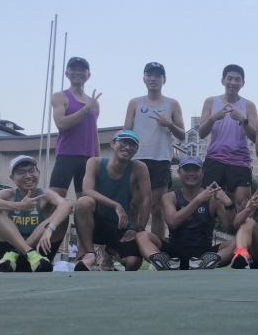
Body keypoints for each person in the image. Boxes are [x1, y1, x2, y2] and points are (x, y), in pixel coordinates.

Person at [136, 156, 236, 270]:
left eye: (195, 169)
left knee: (238, 242)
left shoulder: (213, 199)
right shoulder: (169, 197)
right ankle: (163, 262)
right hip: (174, 255)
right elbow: (172, 222)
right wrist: (198, 200)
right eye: (187, 169)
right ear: (179, 173)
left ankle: (204, 264)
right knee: (141, 235)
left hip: (203, 254)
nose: (191, 173)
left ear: (202, 173)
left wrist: (229, 204)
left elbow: (230, 228)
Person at [0, 156, 72, 272]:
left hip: (38, 256)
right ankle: (27, 252)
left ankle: (19, 253)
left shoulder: (45, 195)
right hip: (6, 258)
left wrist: (50, 228)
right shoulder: (9, 194)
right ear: (12, 178)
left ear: (38, 173)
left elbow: (67, 204)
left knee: (61, 213)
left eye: (31, 171)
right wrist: (18, 205)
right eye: (21, 172)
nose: (28, 176)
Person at [74, 130, 152, 271]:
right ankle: (89, 254)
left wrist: (138, 229)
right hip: (97, 223)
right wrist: (116, 205)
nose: (127, 147)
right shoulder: (94, 162)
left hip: (121, 226)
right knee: (83, 202)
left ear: (136, 150)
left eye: (132, 144)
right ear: (112, 144)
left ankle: (111, 251)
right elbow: (87, 190)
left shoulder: (139, 168)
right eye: (123, 142)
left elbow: (147, 199)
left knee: (133, 262)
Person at [124, 62, 186, 239]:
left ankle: (157, 249)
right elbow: (126, 132)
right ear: (144, 78)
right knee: (134, 204)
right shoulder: (135, 103)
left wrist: (169, 124)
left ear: (164, 79)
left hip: (161, 160)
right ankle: (132, 244)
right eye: (149, 75)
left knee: (157, 208)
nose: (153, 79)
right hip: (137, 159)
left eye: (158, 75)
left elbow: (182, 135)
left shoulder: (172, 104)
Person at [199, 64, 258, 211]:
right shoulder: (211, 102)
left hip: (240, 160)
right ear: (223, 81)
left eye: (237, 79)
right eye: (229, 78)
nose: (233, 82)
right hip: (215, 158)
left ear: (243, 83)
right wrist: (213, 118)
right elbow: (201, 133)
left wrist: (243, 120)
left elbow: (256, 137)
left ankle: (239, 227)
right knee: (210, 205)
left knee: (243, 205)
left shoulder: (249, 105)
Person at [49, 57, 100, 199]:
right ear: (67, 73)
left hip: (88, 159)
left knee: (87, 201)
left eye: (82, 69)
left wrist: (98, 160)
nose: (77, 72)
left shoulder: (94, 103)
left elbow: (94, 133)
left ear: (88, 74)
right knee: (54, 199)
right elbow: (61, 124)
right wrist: (86, 109)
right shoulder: (60, 97)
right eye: (73, 69)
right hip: (66, 154)